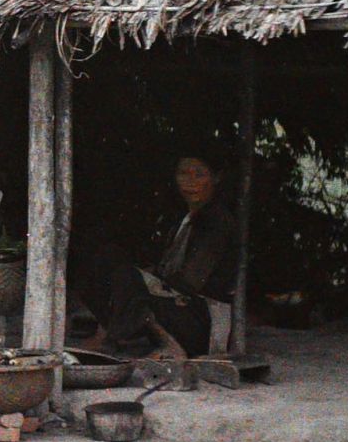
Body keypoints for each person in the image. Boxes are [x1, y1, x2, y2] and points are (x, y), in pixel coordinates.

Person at [71, 154, 237, 361]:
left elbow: (191, 282)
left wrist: (141, 280)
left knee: (126, 277)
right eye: (183, 173)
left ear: (216, 178)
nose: (190, 182)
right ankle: (108, 333)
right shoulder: (182, 217)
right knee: (107, 260)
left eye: (200, 174)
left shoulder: (217, 221)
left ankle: (171, 346)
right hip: (178, 304)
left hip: (202, 317)